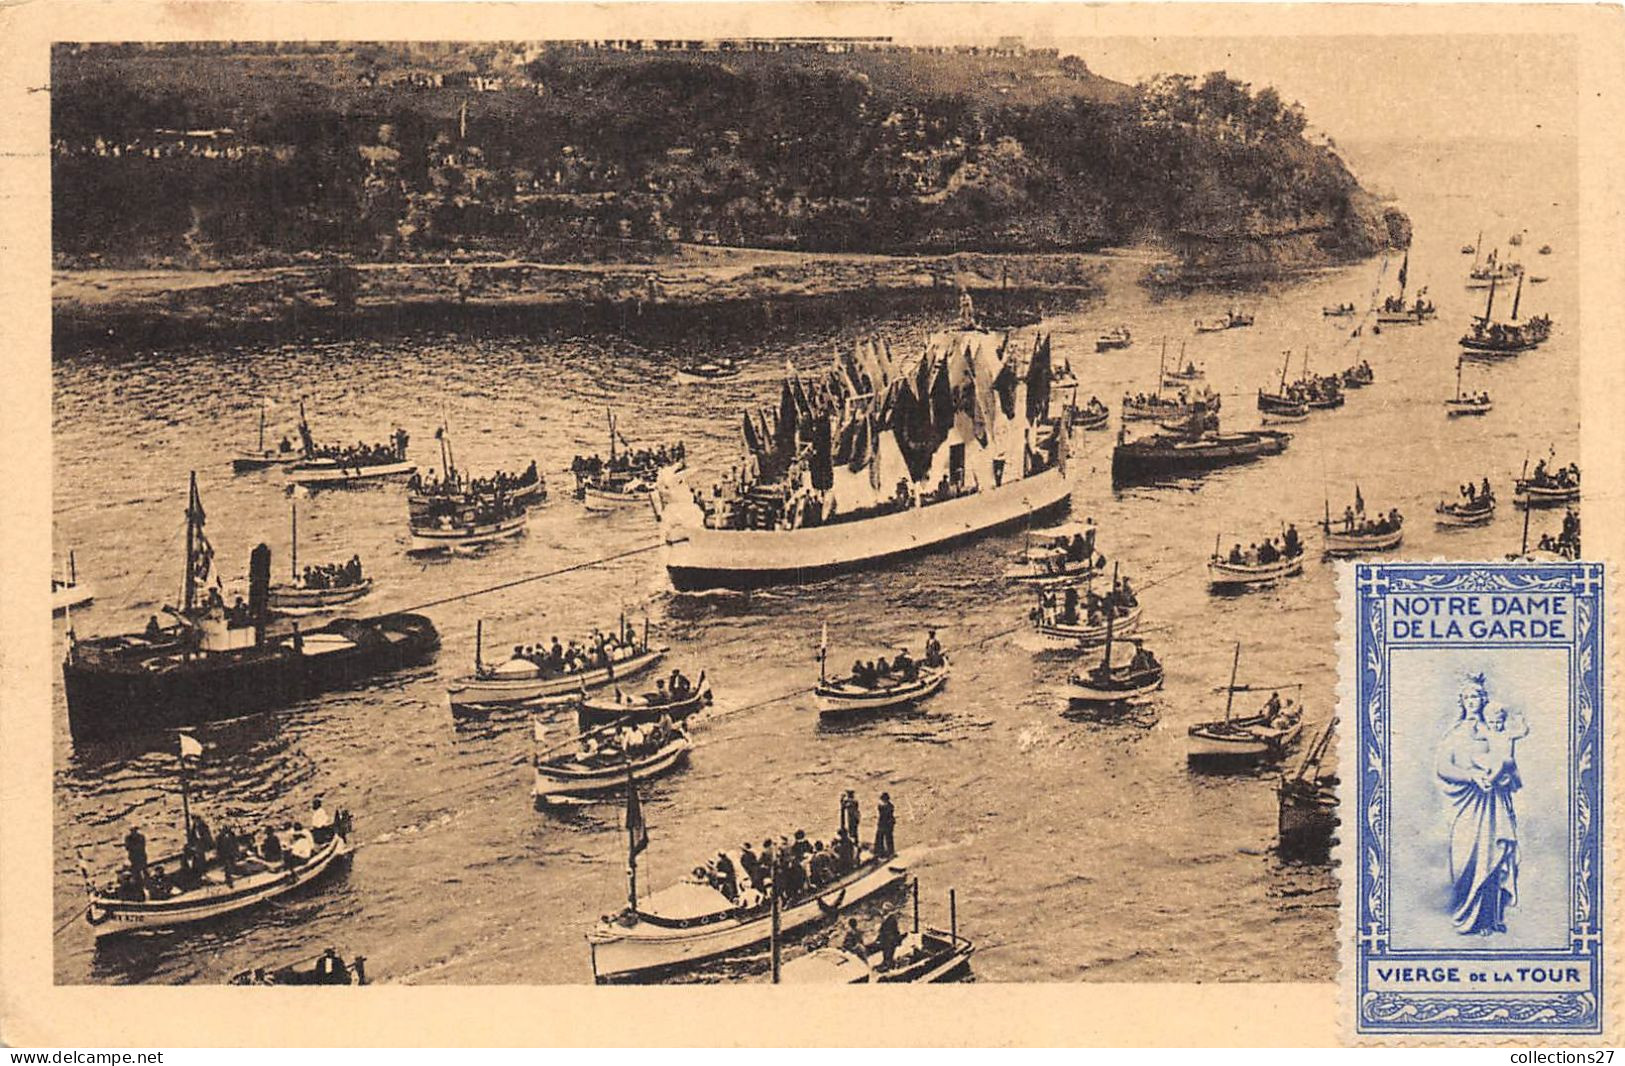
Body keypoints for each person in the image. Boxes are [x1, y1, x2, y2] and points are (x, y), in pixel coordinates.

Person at [1435, 674, 1529, 935]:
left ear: (1483, 699)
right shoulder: (1454, 733)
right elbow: (1444, 767)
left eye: (1475, 696)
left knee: (1494, 858)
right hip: (1466, 803)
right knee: (1467, 858)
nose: (1471, 701)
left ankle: (1489, 919)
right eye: (1466, 697)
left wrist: (1502, 775)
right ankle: (1466, 915)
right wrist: (1471, 776)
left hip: (1493, 801)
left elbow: (1507, 761)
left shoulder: (1493, 730)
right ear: (1461, 702)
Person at [875, 904, 904, 970]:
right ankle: (885, 963)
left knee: (889, 953)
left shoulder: (891, 919)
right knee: (885, 952)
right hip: (886, 939)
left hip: (890, 940)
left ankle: (888, 966)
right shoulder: (886, 918)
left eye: (884, 910)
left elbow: (891, 930)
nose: (883, 911)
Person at [123, 825, 148, 896]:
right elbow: (127, 847)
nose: (133, 832)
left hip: (141, 857)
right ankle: (138, 886)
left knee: (144, 871)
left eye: (134, 830)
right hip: (133, 858)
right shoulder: (128, 838)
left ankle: (146, 885)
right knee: (135, 872)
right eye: (132, 831)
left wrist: (133, 847)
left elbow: (141, 847)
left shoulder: (141, 837)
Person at [874, 792, 896, 857]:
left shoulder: (882, 806)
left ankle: (881, 852)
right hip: (888, 823)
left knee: (881, 838)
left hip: (884, 824)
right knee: (888, 838)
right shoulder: (890, 806)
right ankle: (889, 851)